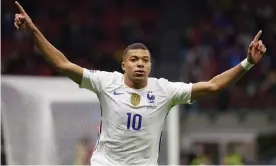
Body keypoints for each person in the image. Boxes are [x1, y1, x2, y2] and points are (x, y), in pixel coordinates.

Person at [13, 1, 267, 165]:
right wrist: (34, 31)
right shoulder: (105, 82)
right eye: (134, 59)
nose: (140, 64)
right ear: (124, 65)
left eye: (145, 60)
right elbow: (63, 65)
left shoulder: (165, 90)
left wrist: (248, 63)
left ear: (151, 65)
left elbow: (212, 86)